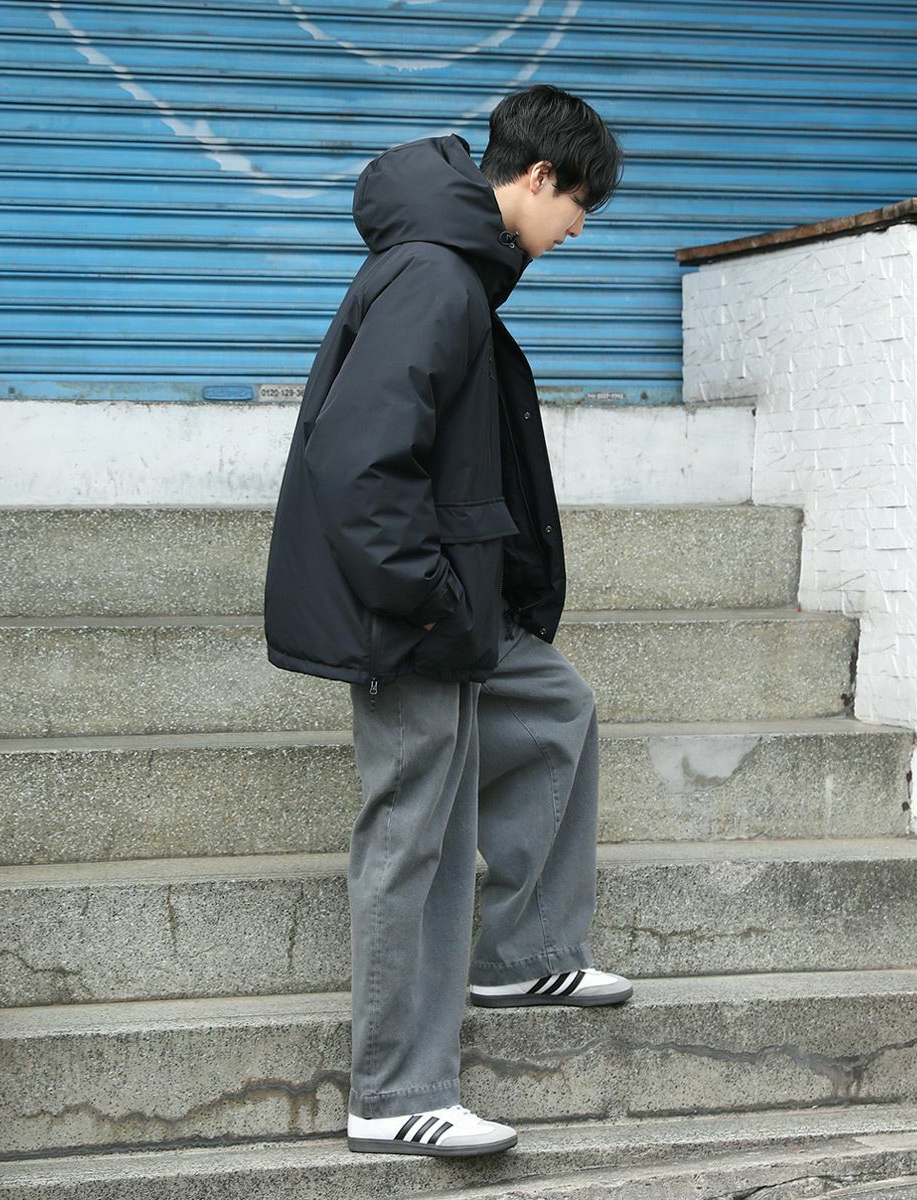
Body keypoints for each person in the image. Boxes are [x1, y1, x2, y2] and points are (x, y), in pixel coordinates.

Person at [263, 84, 628, 1158]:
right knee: (415, 832)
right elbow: (358, 462)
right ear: (539, 178)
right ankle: (394, 1091)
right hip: (411, 613)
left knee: (555, 706)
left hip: (455, 603)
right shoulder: (435, 276)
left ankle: (523, 951)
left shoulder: (458, 271)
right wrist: (424, 598)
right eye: (580, 208)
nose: (577, 232)